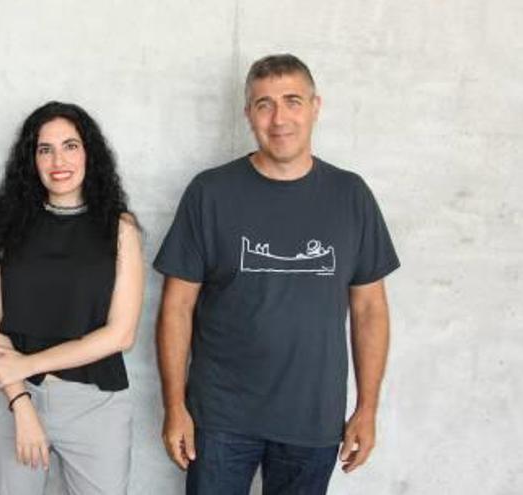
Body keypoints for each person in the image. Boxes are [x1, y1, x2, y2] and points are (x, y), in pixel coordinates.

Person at [154, 53, 400, 494]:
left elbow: (370, 311)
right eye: (264, 104)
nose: (279, 118)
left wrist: (367, 408)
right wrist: (174, 406)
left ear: (315, 106)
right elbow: (176, 307)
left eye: (292, 101)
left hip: (313, 419)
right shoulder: (210, 192)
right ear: (248, 113)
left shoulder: (351, 196)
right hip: (220, 418)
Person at [0, 101, 144, 495]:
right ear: (31, 160)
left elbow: (120, 335)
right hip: (9, 399)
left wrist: (29, 364)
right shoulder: (6, 227)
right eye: (44, 149)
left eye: (70, 145)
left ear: (89, 153)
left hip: (95, 405)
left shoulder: (120, 230)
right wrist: (21, 401)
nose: (57, 160)